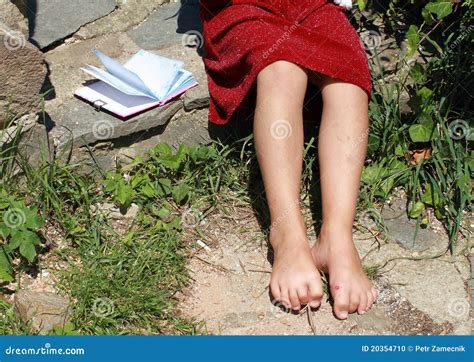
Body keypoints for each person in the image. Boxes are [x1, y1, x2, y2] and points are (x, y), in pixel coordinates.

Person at [198, 0, 378, 320]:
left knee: (348, 79)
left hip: (311, 4)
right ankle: (288, 236)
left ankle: (337, 237)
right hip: (242, 6)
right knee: (281, 70)